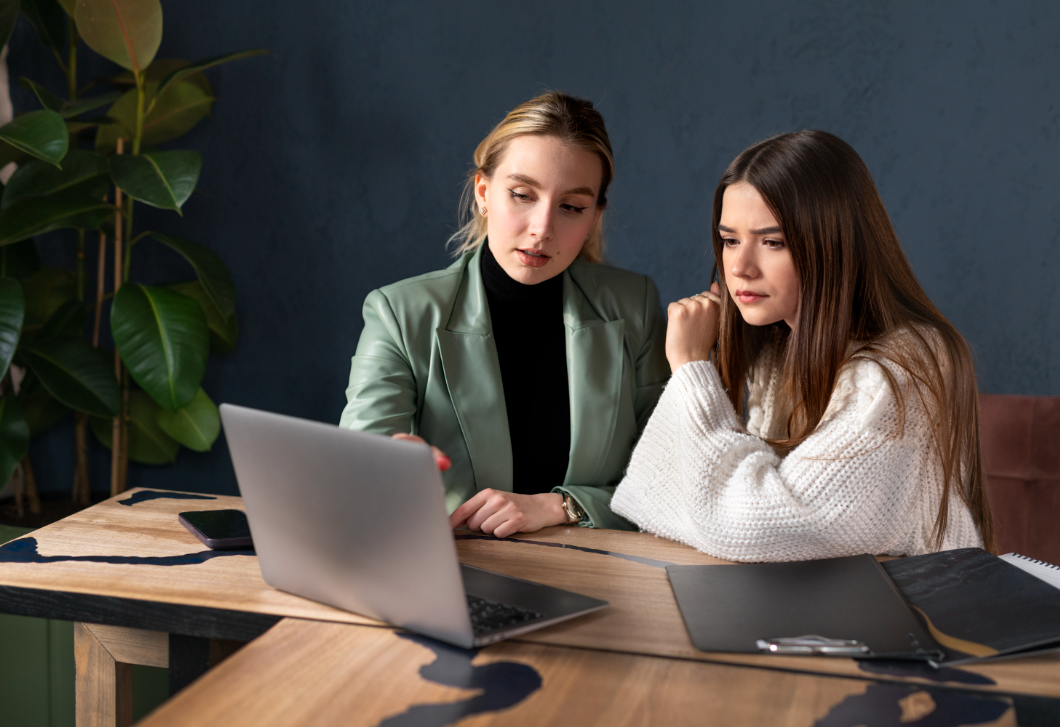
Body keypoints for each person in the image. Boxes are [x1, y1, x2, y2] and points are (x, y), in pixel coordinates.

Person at [611, 130, 994, 562]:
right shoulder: (780, 351)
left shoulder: (902, 367)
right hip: (823, 606)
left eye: (772, 242)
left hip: (912, 616)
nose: (739, 267)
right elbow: (666, 500)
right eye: (730, 240)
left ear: (833, 247)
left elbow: (750, 525)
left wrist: (691, 368)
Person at [341, 92, 669, 537]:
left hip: (599, 572)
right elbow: (357, 470)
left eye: (571, 207)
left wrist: (561, 505)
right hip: (458, 568)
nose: (542, 228)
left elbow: (669, 483)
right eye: (521, 195)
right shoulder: (399, 312)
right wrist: (382, 468)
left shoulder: (636, 306)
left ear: (593, 216)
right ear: (483, 192)